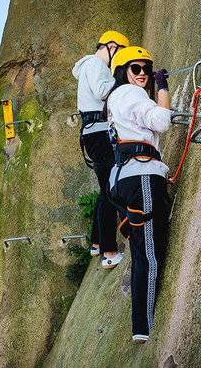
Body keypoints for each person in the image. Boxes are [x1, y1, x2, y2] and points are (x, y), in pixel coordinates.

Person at [104, 46, 172, 343]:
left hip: (124, 179)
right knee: (150, 255)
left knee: (142, 252)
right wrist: (164, 89)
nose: (142, 73)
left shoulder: (114, 100)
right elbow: (162, 121)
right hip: (141, 173)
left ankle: (140, 325)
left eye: (146, 68)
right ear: (123, 71)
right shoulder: (130, 94)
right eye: (136, 68)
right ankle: (145, 326)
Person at [72, 30, 130, 268]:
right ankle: (108, 251)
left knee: (104, 187)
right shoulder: (96, 64)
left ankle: (97, 243)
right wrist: (121, 80)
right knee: (110, 189)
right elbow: (102, 91)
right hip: (99, 131)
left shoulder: (89, 65)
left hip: (93, 132)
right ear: (111, 46)